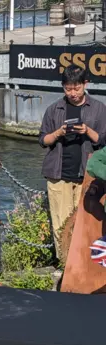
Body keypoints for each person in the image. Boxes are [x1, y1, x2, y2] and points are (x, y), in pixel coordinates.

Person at [39, 64, 106, 263]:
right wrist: (58, 133)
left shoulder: (98, 109)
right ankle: (64, 264)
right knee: (60, 223)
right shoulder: (54, 109)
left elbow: (103, 140)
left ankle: (83, 264)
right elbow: (43, 140)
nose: (73, 93)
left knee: (84, 223)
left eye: (76, 88)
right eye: (68, 89)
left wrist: (87, 130)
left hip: (87, 176)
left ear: (85, 84)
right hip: (58, 174)